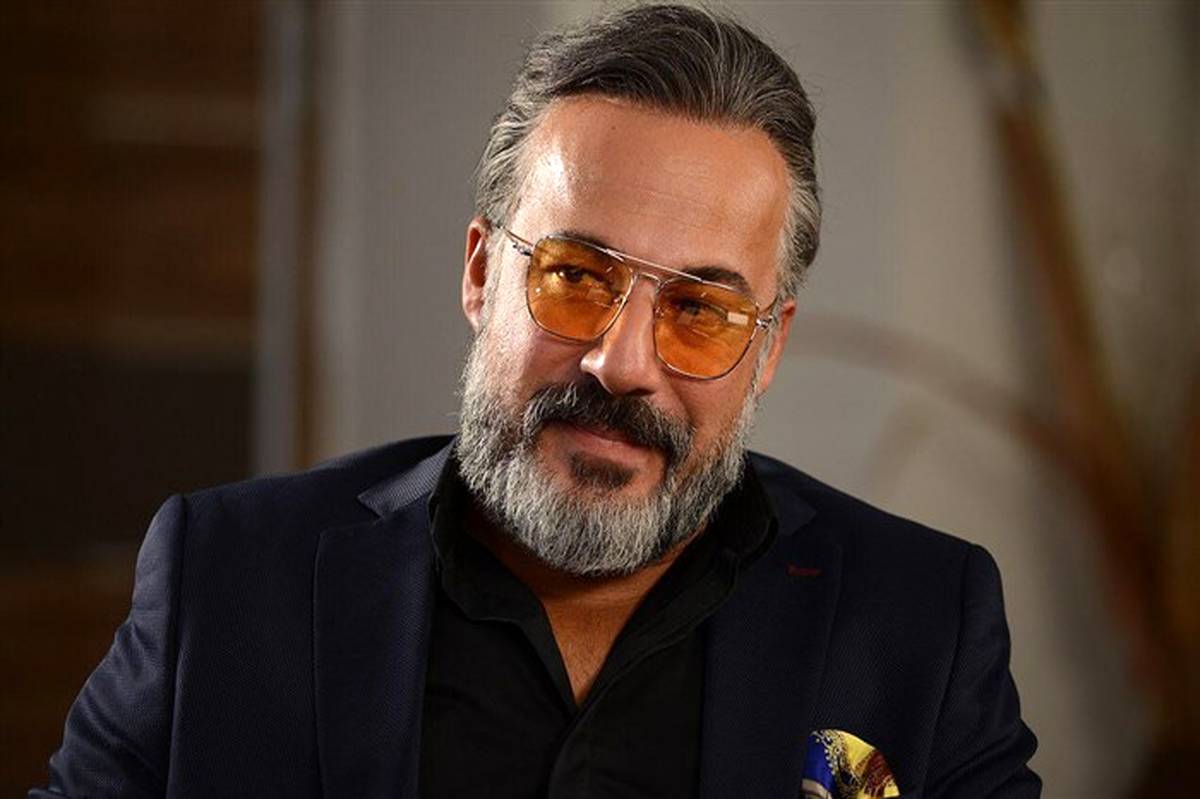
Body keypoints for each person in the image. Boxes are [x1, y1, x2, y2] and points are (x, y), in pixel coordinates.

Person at [34, 5, 1039, 798]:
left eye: (700, 310)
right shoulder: (228, 579)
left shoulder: (918, 621)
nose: (619, 364)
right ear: (481, 273)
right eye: (576, 276)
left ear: (767, 345)